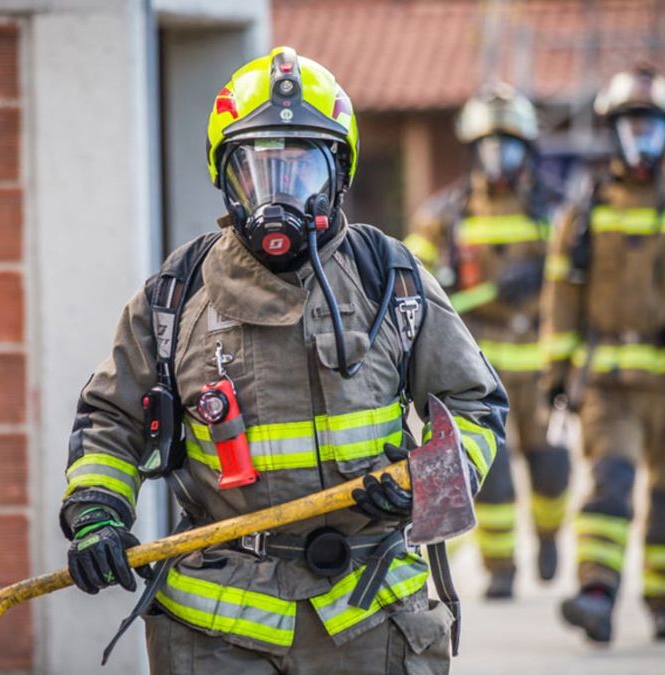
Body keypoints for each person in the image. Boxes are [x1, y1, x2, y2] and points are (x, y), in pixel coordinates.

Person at [60, 46, 508, 674]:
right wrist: (96, 516)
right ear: (227, 177)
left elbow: (474, 406)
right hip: (215, 622)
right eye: (260, 172)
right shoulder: (176, 295)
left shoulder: (391, 279)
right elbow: (110, 420)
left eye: (301, 172)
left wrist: (420, 487)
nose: (280, 197)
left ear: (339, 175)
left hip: (367, 607)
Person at [542, 65, 665, 643]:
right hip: (610, 385)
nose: (642, 140)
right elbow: (561, 297)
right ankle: (597, 596)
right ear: (615, 133)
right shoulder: (584, 213)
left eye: (652, 129)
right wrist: (557, 372)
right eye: (632, 127)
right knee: (609, 483)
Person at [404, 84, 569, 599]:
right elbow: (409, 277)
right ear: (473, 150)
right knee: (492, 473)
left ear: (527, 148)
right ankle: (501, 570)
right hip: (481, 366)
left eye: (510, 144)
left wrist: (545, 277)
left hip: (542, 367)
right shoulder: (445, 215)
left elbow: (580, 278)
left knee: (551, 470)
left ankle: (547, 534)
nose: (499, 157)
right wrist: (450, 284)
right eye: (489, 145)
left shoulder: (553, 211)